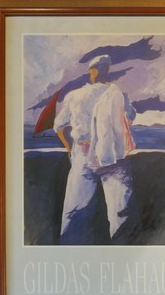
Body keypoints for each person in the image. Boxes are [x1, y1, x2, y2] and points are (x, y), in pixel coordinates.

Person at [54, 53, 137, 244]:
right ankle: (124, 256)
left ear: (92, 71)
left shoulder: (74, 96)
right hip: (115, 158)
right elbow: (129, 121)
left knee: (75, 212)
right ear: (106, 70)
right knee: (121, 213)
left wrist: (71, 149)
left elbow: (59, 127)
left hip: (83, 155)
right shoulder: (121, 95)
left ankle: (70, 255)